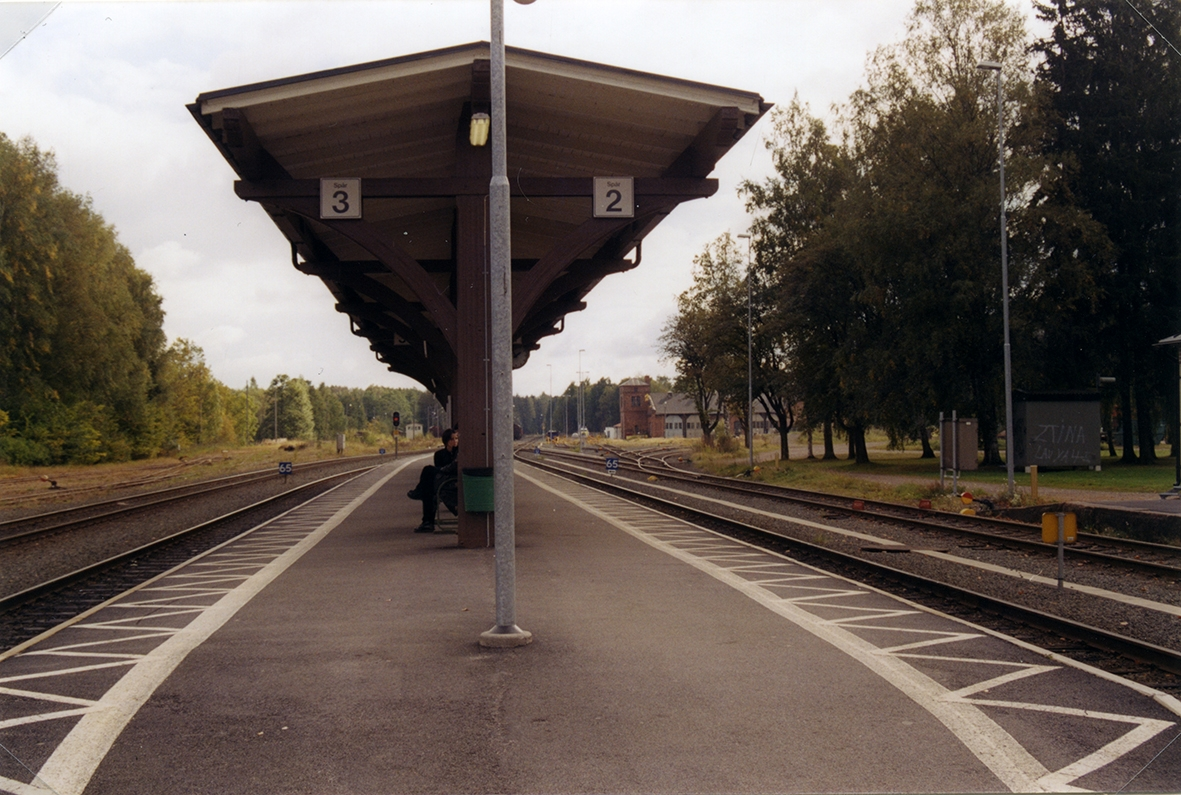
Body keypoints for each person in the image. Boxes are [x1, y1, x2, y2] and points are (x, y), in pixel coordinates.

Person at [407, 428, 458, 532]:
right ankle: (427, 522)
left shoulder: (459, 453)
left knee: (428, 473)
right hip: (444, 479)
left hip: (452, 481)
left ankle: (427, 521)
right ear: (446, 441)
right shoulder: (439, 454)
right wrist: (442, 469)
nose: (455, 441)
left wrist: (442, 469)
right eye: (452, 439)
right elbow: (441, 470)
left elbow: (451, 468)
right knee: (429, 485)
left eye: (456, 438)